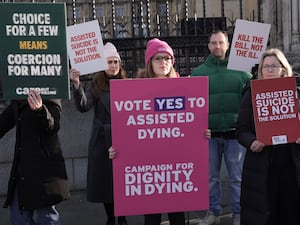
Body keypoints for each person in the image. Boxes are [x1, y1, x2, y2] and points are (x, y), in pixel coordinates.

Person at [109, 38, 211, 225]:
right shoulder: (135, 89)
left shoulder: (184, 87)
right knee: (152, 216)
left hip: (176, 164)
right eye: (158, 58)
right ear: (149, 62)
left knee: (177, 215)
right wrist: (117, 148)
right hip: (149, 164)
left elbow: (191, 121)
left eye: (167, 58)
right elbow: (127, 125)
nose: (163, 62)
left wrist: (202, 134)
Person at [191, 30, 252, 225]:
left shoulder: (243, 72)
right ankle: (213, 213)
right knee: (211, 178)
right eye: (213, 43)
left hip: (235, 135)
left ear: (228, 44)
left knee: (237, 178)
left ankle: (238, 214)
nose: (217, 46)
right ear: (208, 46)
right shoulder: (198, 73)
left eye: (221, 42)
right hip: (209, 135)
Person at [236, 48, 300, 225]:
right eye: (266, 66)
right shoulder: (250, 93)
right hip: (262, 166)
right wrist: (252, 141)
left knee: (291, 211)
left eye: (274, 66)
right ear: (260, 71)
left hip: (291, 162)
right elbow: (241, 130)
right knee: (267, 214)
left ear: (283, 69)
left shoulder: (296, 91)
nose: (270, 69)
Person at [69, 42, 128, 225]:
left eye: (115, 62)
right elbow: (83, 106)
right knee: (105, 182)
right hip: (101, 140)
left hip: (124, 138)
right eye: (109, 62)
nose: (113, 66)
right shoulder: (96, 85)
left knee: (124, 182)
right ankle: (111, 217)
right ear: (103, 65)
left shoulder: (127, 84)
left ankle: (123, 217)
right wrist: (77, 85)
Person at [0, 90, 70, 225]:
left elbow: (53, 125)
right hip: (23, 172)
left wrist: (40, 110)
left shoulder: (51, 92)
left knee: (47, 218)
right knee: (19, 218)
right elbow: (3, 123)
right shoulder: (18, 99)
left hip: (45, 174)